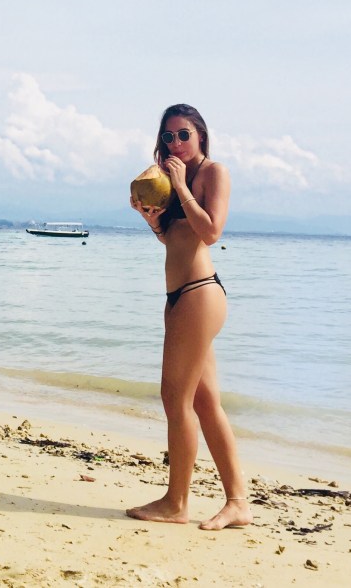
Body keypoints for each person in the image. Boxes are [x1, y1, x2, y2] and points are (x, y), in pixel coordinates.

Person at [126, 104, 252, 530]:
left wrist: (181, 186)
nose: (175, 143)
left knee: (174, 398)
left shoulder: (213, 173)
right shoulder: (167, 179)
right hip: (180, 296)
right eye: (168, 136)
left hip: (200, 294)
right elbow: (176, 239)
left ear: (200, 135)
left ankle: (176, 502)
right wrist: (151, 219)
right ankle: (238, 503)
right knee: (204, 401)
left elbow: (211, 232)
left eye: (183, 134)